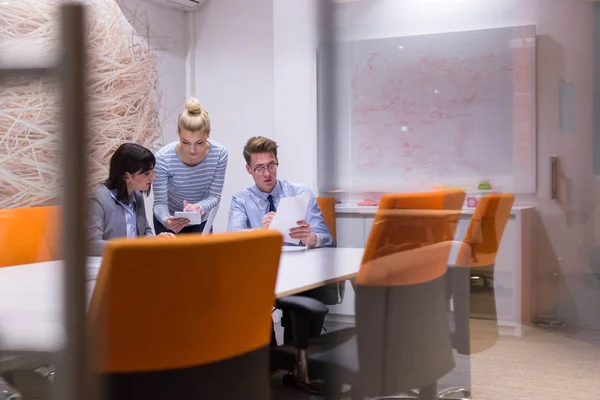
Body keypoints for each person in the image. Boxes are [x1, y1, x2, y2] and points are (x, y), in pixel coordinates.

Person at [227, 136, 335, 345]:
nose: (267, 173)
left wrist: (311, 238)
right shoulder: (241, 200)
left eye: (271, 165)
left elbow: (327, 238)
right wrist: (261, 231)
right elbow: (234, 239)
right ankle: (270, 357)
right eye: (259, 168)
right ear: (248, 169)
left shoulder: (300, 193)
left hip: (300, 272)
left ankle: (302, 356)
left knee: (311, 289)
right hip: (263, 273)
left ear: (277, 162)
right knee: (244, 293)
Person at [153, 98, 228, 234]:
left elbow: (215, 196)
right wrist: (166, 220)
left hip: (201, 221)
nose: (192, 150)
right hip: (169, 222)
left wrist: (199, 207)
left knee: (203, 256)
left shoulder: (219, 154)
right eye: (185, 142)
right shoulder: (163, 158)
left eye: (199, 143)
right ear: (178, 133)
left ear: (208, 133)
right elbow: (159, 203)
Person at [89, 143, 175, 256]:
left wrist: (155, 241)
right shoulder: (98, 199)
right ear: (127, 176)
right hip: (108, 265)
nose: (153, 176)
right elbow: (91, 245)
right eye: (146, 173)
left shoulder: (137, 195)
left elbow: (145, 232)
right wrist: (130, 247)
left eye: (152, 171)